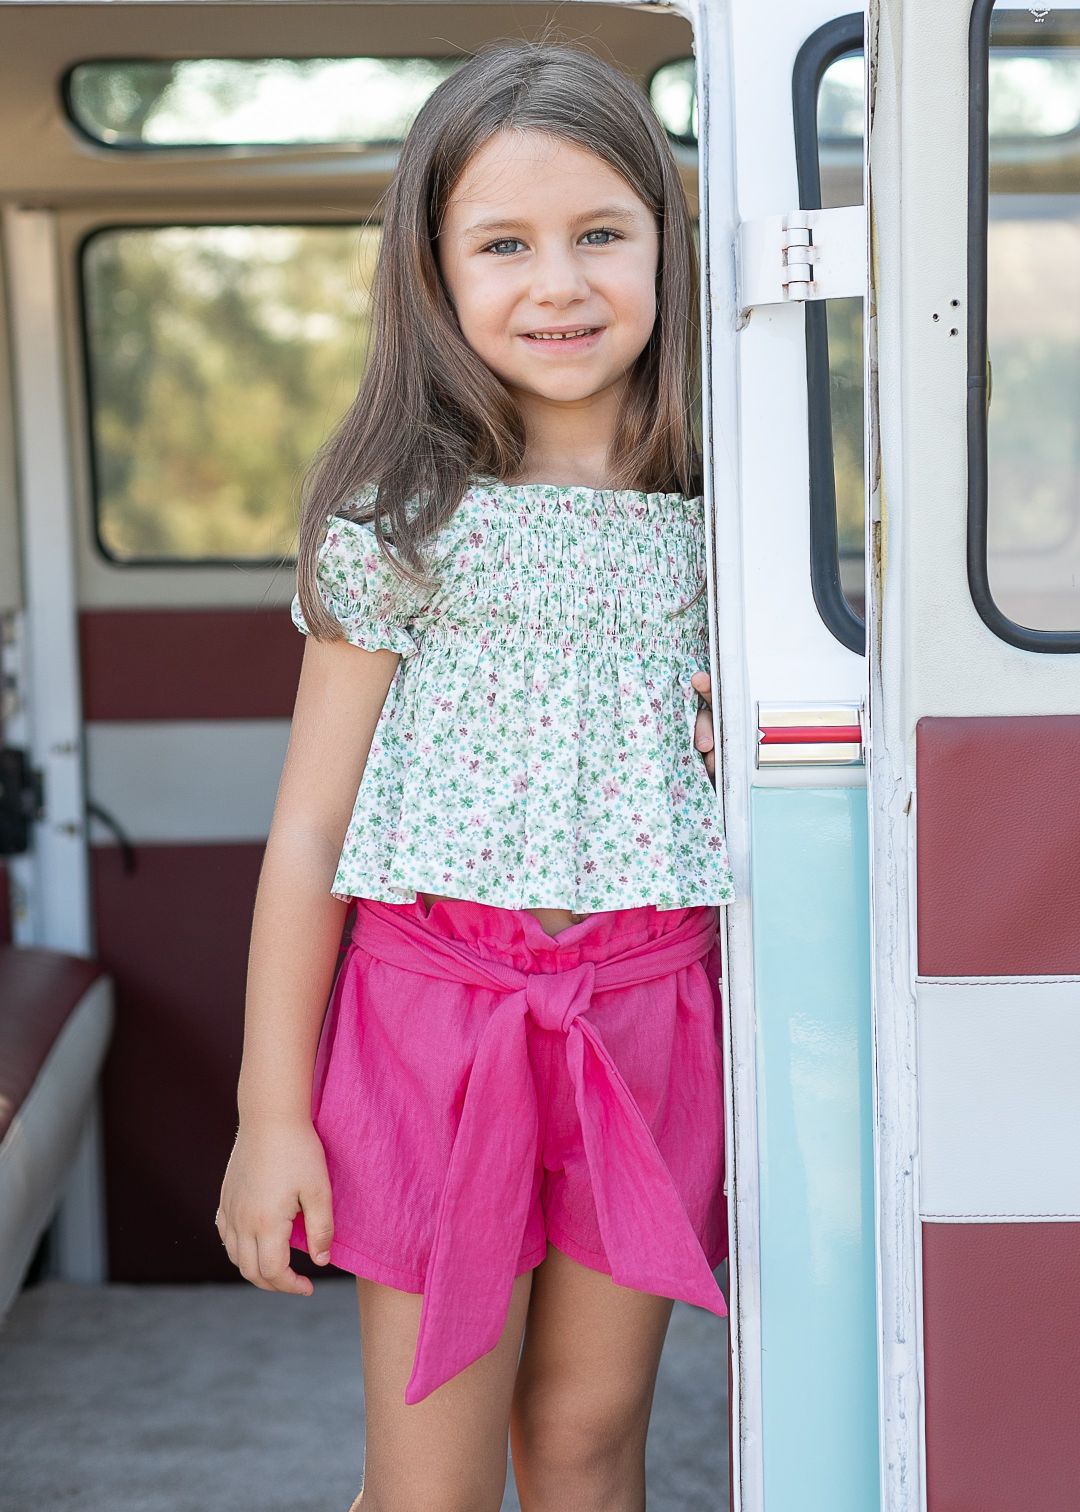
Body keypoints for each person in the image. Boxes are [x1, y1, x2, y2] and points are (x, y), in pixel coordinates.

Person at [216, 38, 736, 1512]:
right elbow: (312, 824)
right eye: (503, 245)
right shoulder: (405, 520)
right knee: (436, 1477)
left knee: (584, 1442)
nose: (558, 284)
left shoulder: (730, 514)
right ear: (434, 277)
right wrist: (271, 1116)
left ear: (664, 247)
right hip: (433, 1021)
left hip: (646, 1015)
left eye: (600, 236)